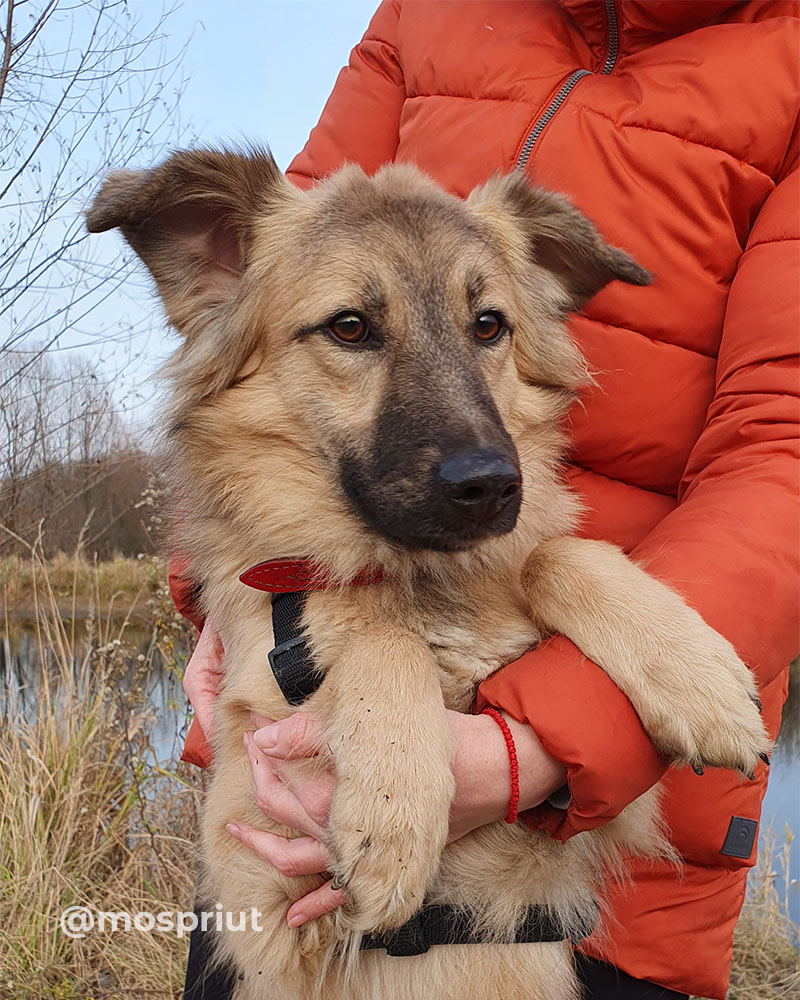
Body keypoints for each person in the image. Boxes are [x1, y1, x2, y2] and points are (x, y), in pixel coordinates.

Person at [170, 2, 800, 998]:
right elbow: (255, 338)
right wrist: (220, 590)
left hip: (593, 812)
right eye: (354, 326)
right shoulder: (427, 10)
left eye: (488, 325)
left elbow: (785, 444)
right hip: (286, 811)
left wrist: (541, 745)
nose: (470, 445)